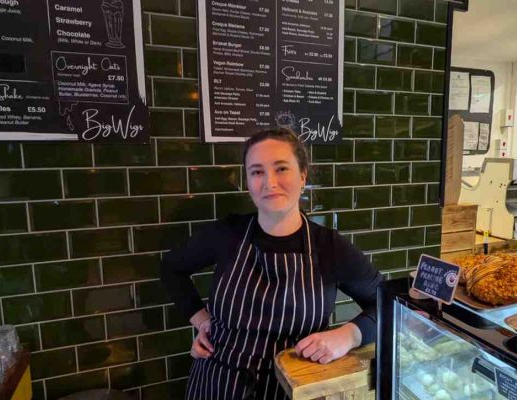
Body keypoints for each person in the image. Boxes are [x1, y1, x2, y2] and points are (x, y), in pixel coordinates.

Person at [160, 127, 383, 400]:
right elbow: (171, 268)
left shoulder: (329, 247)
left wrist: (350, 335)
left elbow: (388, 302)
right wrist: (202, 321)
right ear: (247, 182)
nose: (269, 182)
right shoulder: (227, 234)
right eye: (256, 172)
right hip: (218, 385)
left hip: (291, 390)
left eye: (281, 169)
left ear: (303, 176)